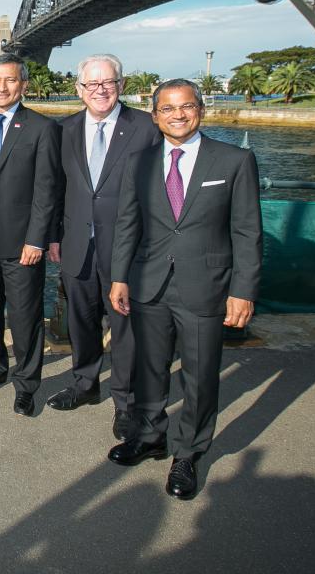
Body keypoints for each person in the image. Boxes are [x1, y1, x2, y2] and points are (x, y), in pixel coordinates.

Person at [107, 78, 262, 500]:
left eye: (186, 107)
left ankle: (188, 453)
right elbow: (127, 224)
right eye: (168, 108)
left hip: (206, 286)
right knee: (149, 368)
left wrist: (242, 290)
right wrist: (119, 277)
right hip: (147, 281)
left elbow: (247, 232)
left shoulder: (233, 161)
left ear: (201, 110)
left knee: (200, 375)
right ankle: (150, 435)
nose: (178, 115)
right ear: (155, 115)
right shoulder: (137, 162)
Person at [46, 55, 160, 438]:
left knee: (124, 324)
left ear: (121, 85)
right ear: (79, 89)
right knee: (81, 319)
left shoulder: (146, 127)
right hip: (76, 241)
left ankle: (125, 401)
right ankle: (84, 384)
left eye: (107, 82)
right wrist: (54, 237)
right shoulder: (64, 129)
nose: (100, 90)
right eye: (91, 84)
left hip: (127, 245)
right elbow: (57, 189)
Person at [0, 54, 61, 417]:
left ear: (23, 85)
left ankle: (26, 384)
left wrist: (37, 239)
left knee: (24, 317)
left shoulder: (41, 128)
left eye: (10, 80)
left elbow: (46, 190)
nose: (2, 87)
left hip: (23, 242)